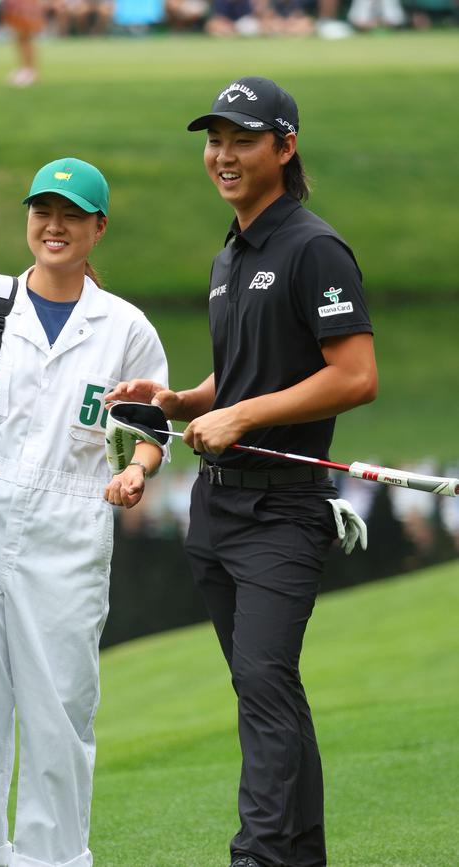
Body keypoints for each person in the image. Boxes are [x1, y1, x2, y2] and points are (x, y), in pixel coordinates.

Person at [107, 76, 378, 867]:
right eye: (214, 139)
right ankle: (298, 856)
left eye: (242, 140)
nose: (222, 155)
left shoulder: (312, 247)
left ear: (284, 148)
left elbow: (355, 375)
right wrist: (186, 397)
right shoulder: (234, 251)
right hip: (217, 511)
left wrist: (242, 416)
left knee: (264, 684)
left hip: (282, 514)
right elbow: (251, 372)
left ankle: (256, 857)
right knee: (267, 693)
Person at [0, 157, 168, 867]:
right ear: (28, 217)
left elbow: (148, 431)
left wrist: (135, 476)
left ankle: (53, 860)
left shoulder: (126, 328)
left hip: (72, 532)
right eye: (43, 211)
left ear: (98, 227)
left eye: (72, 215)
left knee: (60, 718)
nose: (55, 227)